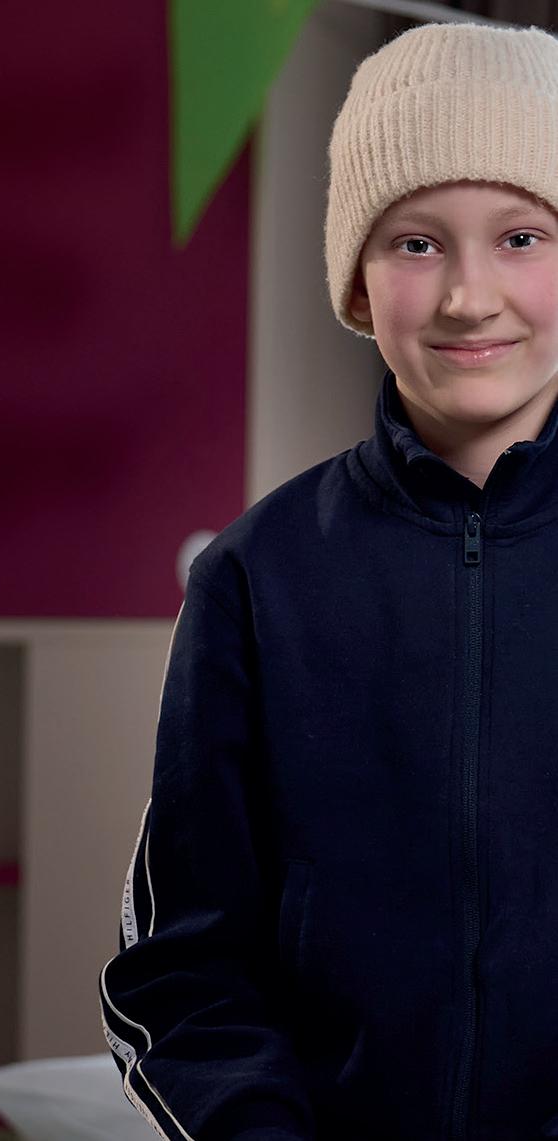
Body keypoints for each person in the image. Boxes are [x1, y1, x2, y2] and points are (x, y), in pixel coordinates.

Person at [99, 19, 558, 1141]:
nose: (468, 296)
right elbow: (180, 972)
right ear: (357, 281)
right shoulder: (257, 578)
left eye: (520, 237)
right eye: (416, 243)